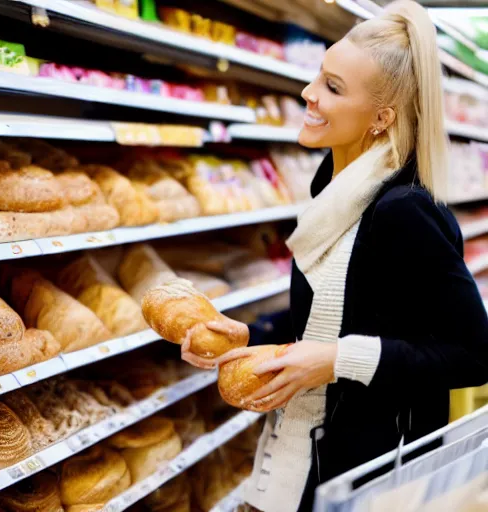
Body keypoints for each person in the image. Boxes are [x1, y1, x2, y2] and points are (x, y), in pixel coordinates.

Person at [181, 1, 488, 510]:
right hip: (309, 454)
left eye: (333, 87)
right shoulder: (332, 189)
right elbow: (325, 318)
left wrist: (338, 361)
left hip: (370, 472)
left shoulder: (403, 212)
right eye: (318, 77)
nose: (308, 94)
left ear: (381, 117)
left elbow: (473, 354)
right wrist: (247, 334)